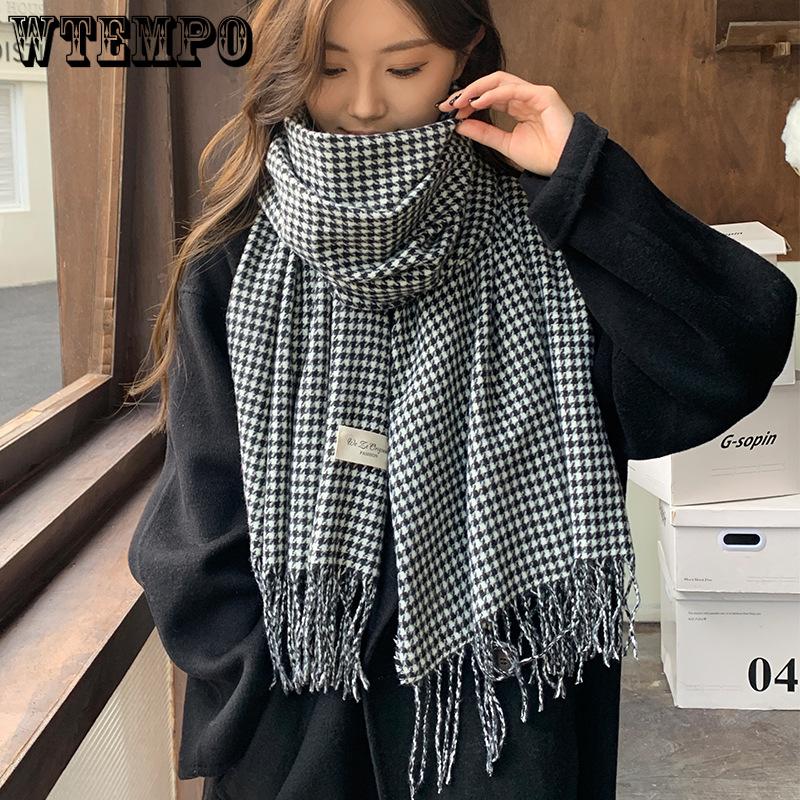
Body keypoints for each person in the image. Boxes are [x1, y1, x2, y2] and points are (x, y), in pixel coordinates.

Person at [124, 1, 798, 798]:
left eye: (404, 67)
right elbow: (197, 518)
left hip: (507, 725)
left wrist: (584, 178)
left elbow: (735, 347)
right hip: (302, 726)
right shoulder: (235, 264)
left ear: (465, 52)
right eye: (329, 68)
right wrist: (259, 696)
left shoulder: (553, 246)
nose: (364, 104)